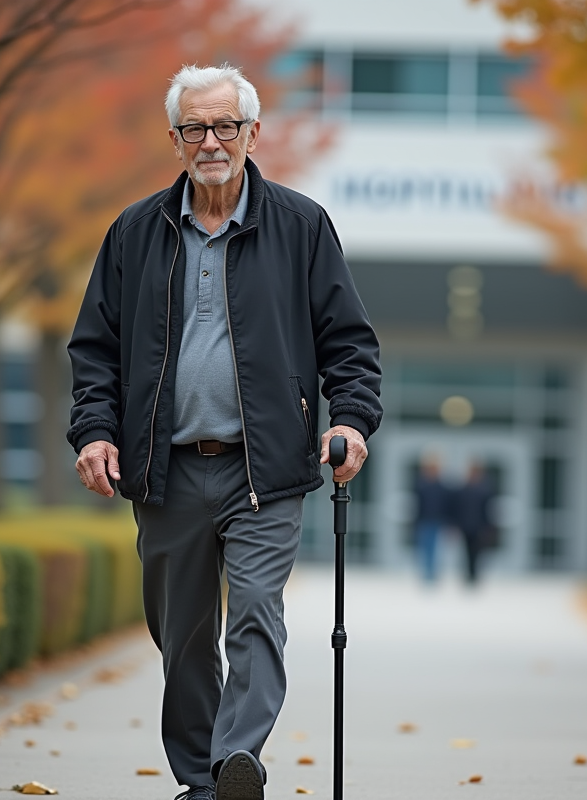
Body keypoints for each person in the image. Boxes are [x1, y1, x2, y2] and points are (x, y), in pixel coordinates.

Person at [66, 64, 382, 800]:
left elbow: (349, 343)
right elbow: (95, 349)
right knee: (182, 640)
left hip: (263, 472)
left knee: (255, 616)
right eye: (195, 128)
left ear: (253, 133)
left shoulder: (301, 226)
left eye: (225, 126)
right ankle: (202, 781)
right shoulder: (136, 231)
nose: (212, 141)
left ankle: (235, 760)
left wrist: (354, 422)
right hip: (166, 471)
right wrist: (94, 432)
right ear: (175, 140)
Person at [453, 460, 497, 585]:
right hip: (465, 526)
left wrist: (489, 526)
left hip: (479, 526)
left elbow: (488, 510)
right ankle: (469, 575)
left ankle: (474, 574)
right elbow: (458, 508)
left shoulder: (485, 489)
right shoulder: (463, 489)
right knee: (466, 552)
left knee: (477, 552)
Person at [411, 453, 450, 583]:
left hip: (437, 520)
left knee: (435, 548)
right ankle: (426, 574)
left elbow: (445, 505)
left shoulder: (441, 485)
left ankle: (432, 574)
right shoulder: (421, 484)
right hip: (424, 520)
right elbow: (417, 504)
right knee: (424, 547)